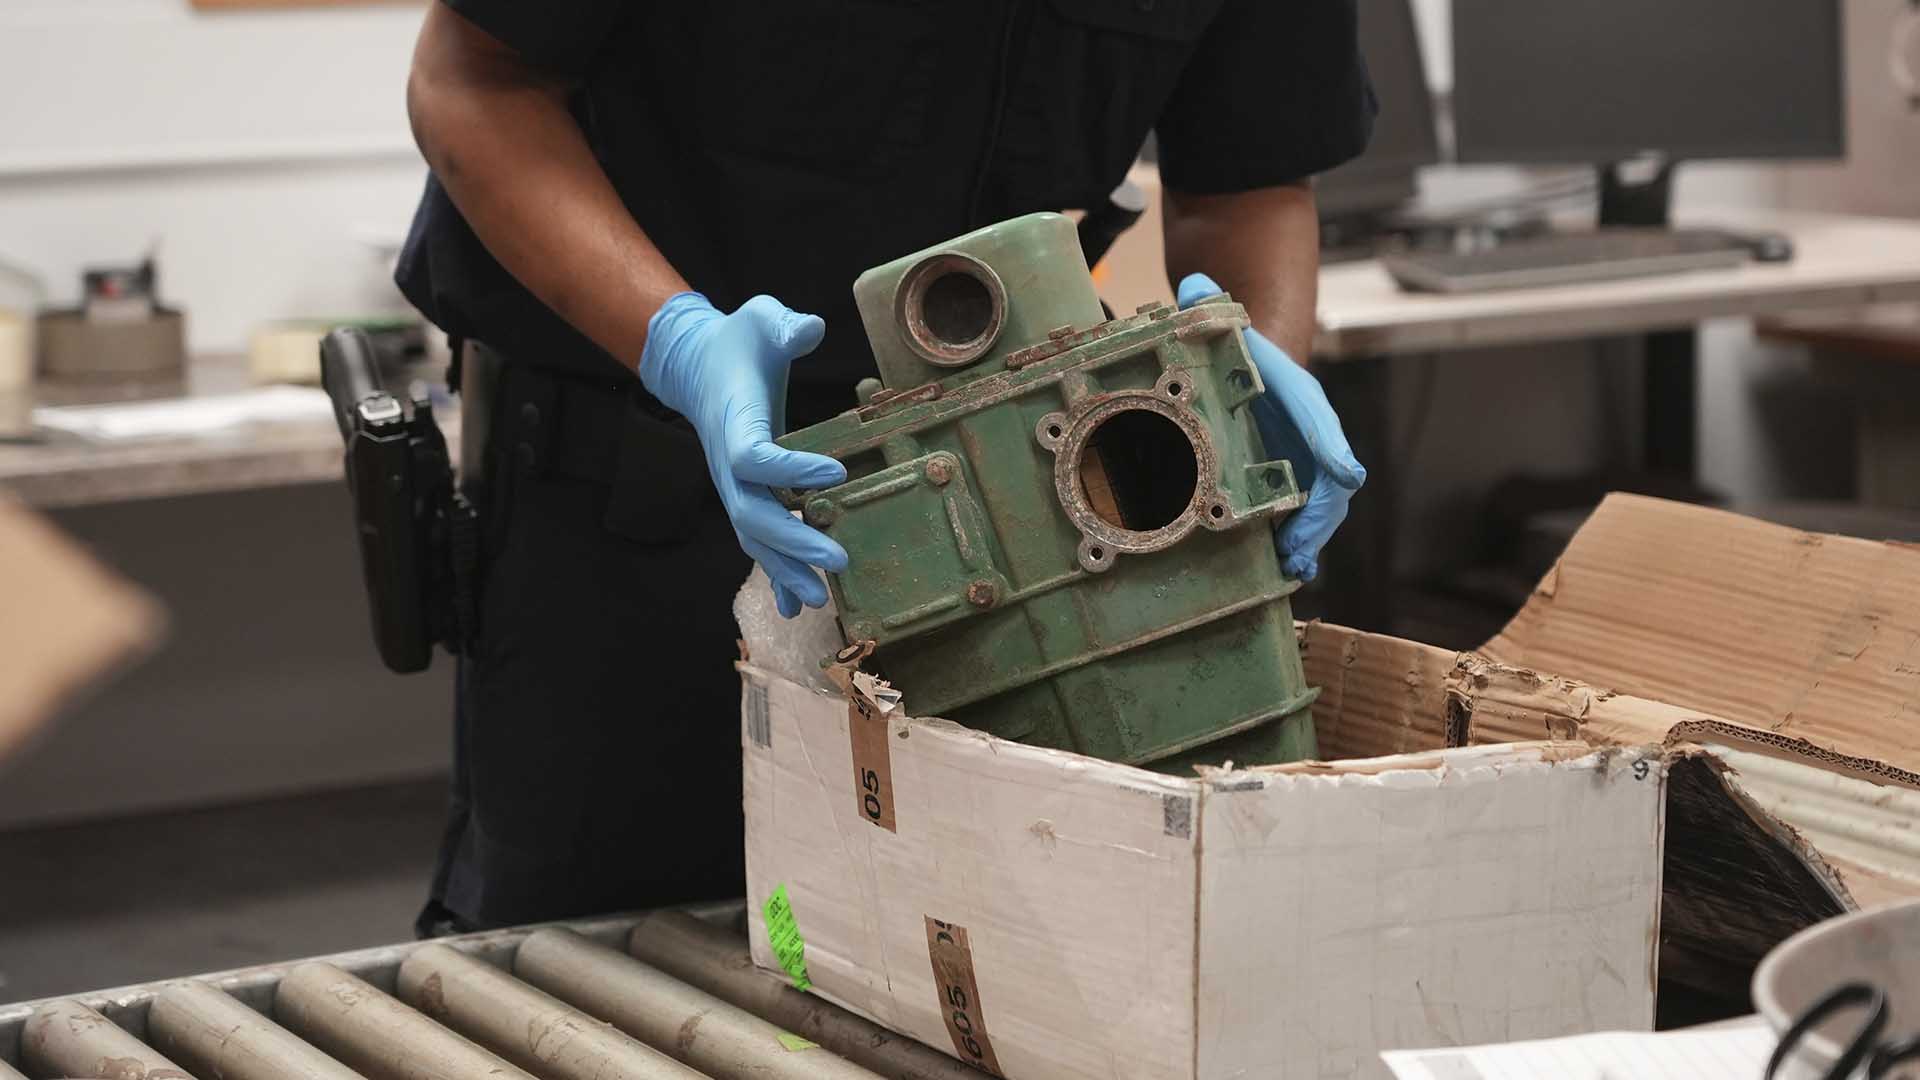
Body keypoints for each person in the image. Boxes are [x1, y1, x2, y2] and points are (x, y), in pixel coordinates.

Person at [398, 0, 1374, 934]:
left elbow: (1250, 182)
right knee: (603, 985)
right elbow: (473, 84)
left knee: (1033, 966)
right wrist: (678, 342)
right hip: (637, 512)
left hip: (1036, 540)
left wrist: (1248, 379)